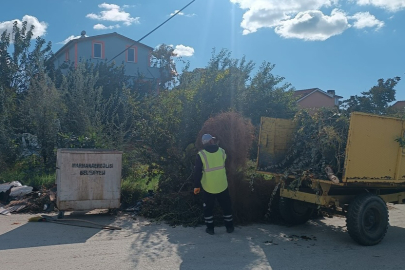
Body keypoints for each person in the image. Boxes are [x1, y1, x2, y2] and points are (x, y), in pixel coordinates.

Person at [193, 133, 234, 235]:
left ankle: (210, 229)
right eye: (213, 140)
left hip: (209, 186)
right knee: (226, 206)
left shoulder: (201, 154)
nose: (214, 141)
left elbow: (197, 171)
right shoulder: (222, 151)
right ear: (211, 141)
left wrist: (196, 186)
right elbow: (227, 164)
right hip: (222, 184)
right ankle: (229, 227)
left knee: (208, 208)